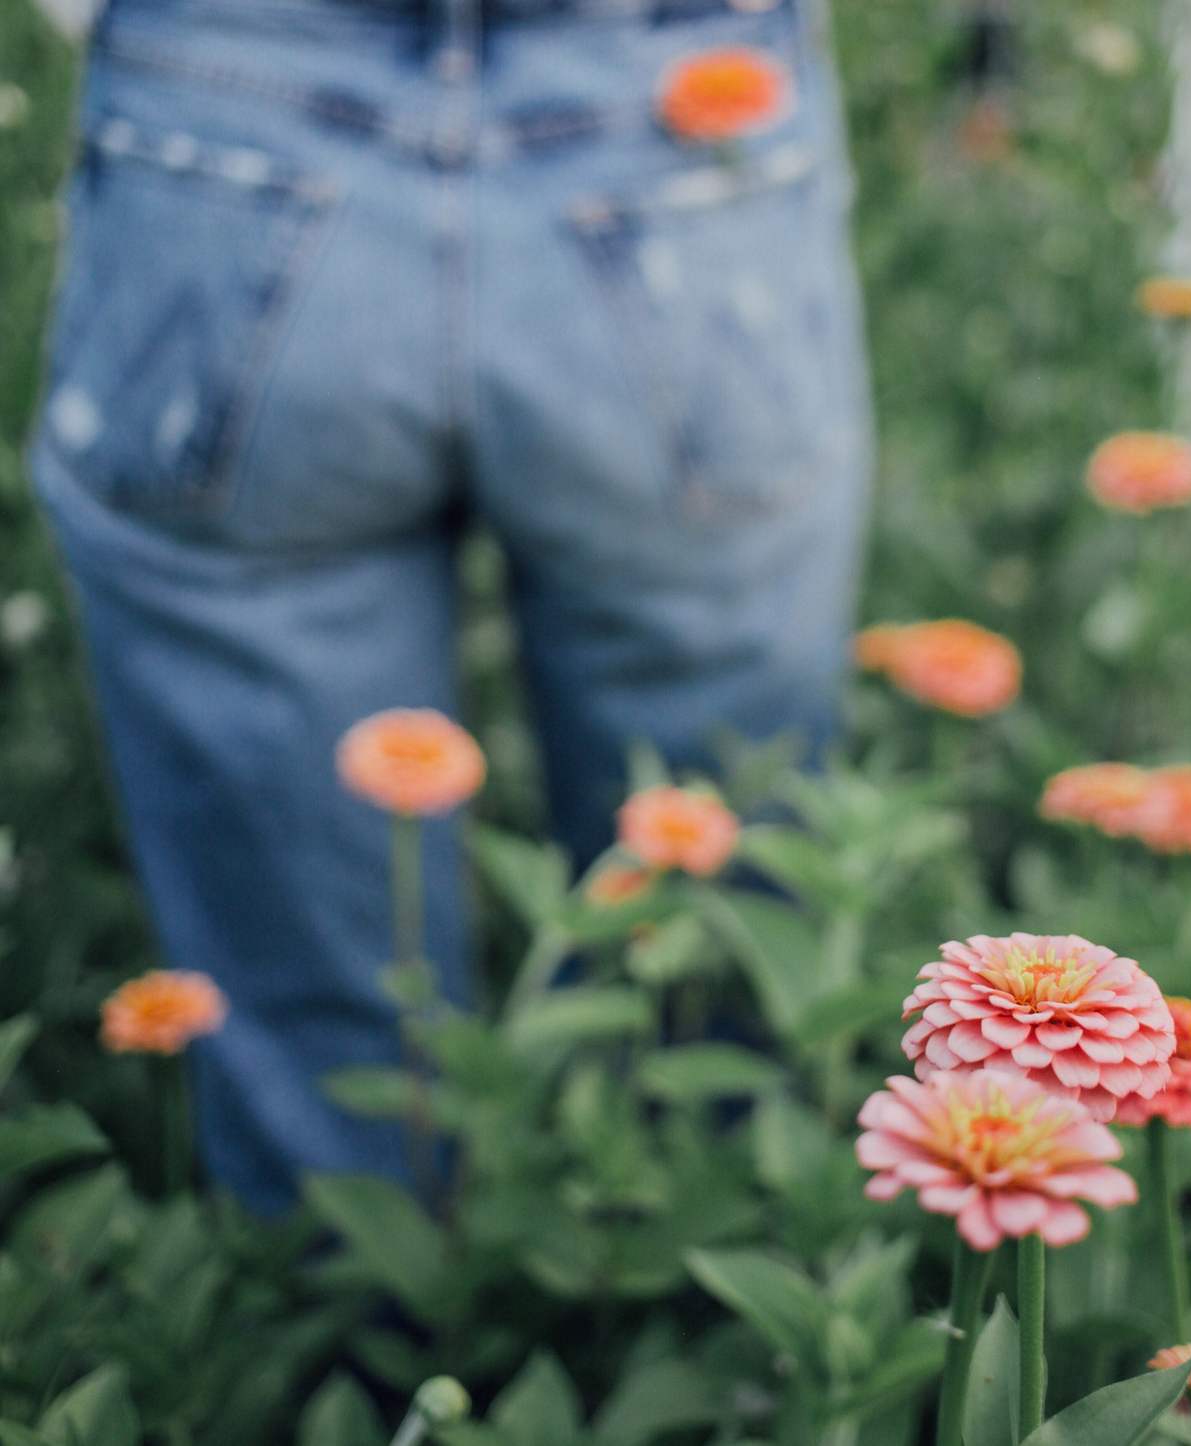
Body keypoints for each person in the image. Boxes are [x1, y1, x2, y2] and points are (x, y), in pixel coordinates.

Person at [30, 0, 872, 1214]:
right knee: (719, 942)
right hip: (669, 103)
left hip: (230, 95)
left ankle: (365, 1373)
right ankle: (721, 1363)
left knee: (309, 1041)